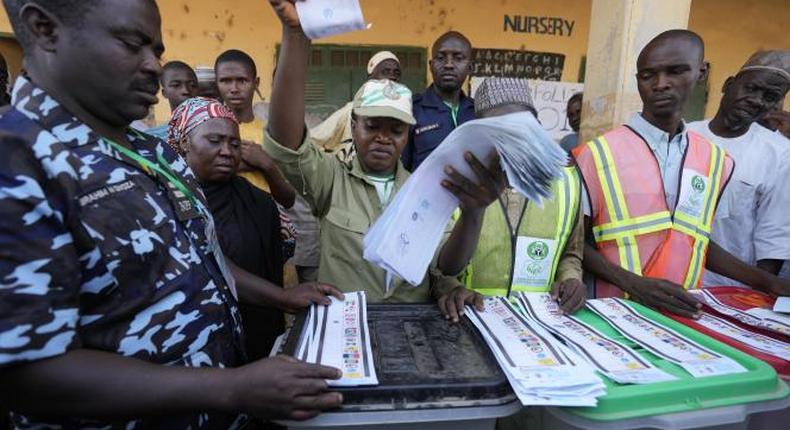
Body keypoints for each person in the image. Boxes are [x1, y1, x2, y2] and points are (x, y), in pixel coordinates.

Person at [0, 0, 344, 427]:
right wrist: (229, 387)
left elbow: (200, 256)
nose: (153, 67)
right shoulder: (17, 160)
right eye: (132, 44)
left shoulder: (154, 152)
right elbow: (25, 372)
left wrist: (282, 297)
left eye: (157, 51)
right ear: (43, 29)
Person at [263, 0, 503, 312]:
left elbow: (446, 266)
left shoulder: (424, 191)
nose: (382, 138)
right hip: (346, 331)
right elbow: (286, 142)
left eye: (396, 130)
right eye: (372, 126)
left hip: (410, 335)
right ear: (353, 125)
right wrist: (295, 35)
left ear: (408, 135)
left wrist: (474, 213)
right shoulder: (332, 180)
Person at [573, 30, 790, 319]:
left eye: (675, 71)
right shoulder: (596, 154)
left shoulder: (716, 160)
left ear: (700, 73)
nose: (661, 84)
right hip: (613, 312)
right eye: (648, 75)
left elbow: (697, 240)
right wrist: (633, 283)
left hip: (684, 313)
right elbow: (573, 243)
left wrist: (769, 283)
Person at [167, 96, 290, 361]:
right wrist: (283, 298)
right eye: (214, 141)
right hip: (193, 339)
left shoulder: (257, 200)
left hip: (258, 333)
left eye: (234, 143)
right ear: (184, 143)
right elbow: (209, 264)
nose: (227, 151)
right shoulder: (165, 200)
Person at [457, 77, 586, 316]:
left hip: (540, 325)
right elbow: (440, 268)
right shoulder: (461, 182)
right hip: (473, 321)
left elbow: (571, 253)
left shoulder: (567, 181)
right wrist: (451, 288)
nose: (511, 138)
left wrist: (571, 279)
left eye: (519, 126)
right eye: (498, 129)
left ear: (536, 126)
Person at [688, 50, 790, 286]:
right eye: (751, 88)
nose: (756, 100)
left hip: (729, 291)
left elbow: (772, 241)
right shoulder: (685, 135)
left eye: (769, 96)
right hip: (670, 280)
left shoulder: (780, 155)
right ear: (728, 85)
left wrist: (754, 296)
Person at [215, 49, 296, 207]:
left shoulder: (272, 134)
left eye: (242, 80)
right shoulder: (207, 130)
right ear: (216, 84)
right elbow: (201, 173)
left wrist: (266, 164)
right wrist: (249, 163)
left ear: (256, 83)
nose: (234, 88)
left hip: (264, 225)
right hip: (220, 225)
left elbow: (288, 200)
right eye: (225, 81)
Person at [401, 31, 475, 171]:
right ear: (430, 65)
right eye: (440, 58)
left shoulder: (479, 113)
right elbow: (402, 170)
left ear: (470, 68)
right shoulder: (411, 110)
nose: (448, 65)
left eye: (458, 58)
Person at [311, 50, 402, 160]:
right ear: (371, 79)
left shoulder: (402, 115)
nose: (392, 77)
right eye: (385, 72)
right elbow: (313, 141)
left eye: (396, 73)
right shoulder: (351, 111)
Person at [147, 60, 199, 139]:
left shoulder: (215, 130)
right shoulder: (153, 138)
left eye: (192, 85)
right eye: (176, 85)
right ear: (164, 93)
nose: (186, 91)